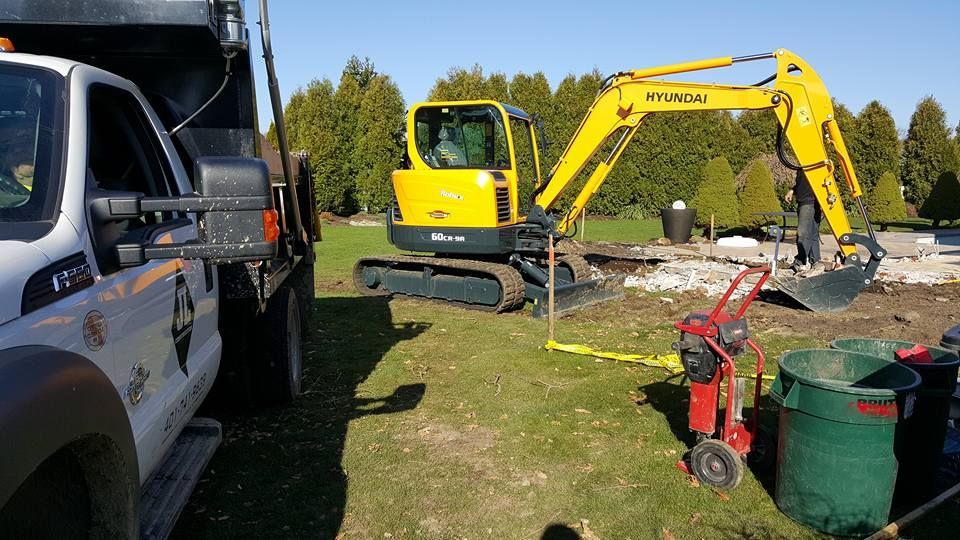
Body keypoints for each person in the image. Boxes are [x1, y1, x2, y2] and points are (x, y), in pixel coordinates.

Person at [785, 170, 822, 271]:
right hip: (810, 202)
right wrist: (793, 190)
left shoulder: (811, 163)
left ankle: (800, 261)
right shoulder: (804, 165)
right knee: (812, 234)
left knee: (803, 234)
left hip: (808, 202)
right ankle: (816, 262)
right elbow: (802, 183)